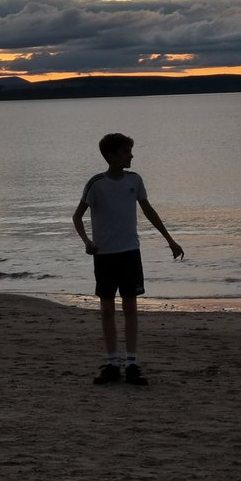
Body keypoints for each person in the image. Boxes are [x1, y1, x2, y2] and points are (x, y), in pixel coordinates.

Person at [73, 133, 184, 386]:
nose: (131, 156)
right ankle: (112, 363)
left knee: (131, 308)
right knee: (107, 309)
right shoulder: (96, 184)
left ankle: (132, 363)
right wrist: (87, 242)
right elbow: (77, 217)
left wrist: (170, 239)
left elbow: (149, 211)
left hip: (130, 253)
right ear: (111, 156)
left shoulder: (135, 180)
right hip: (104, 256)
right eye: (126, 152)